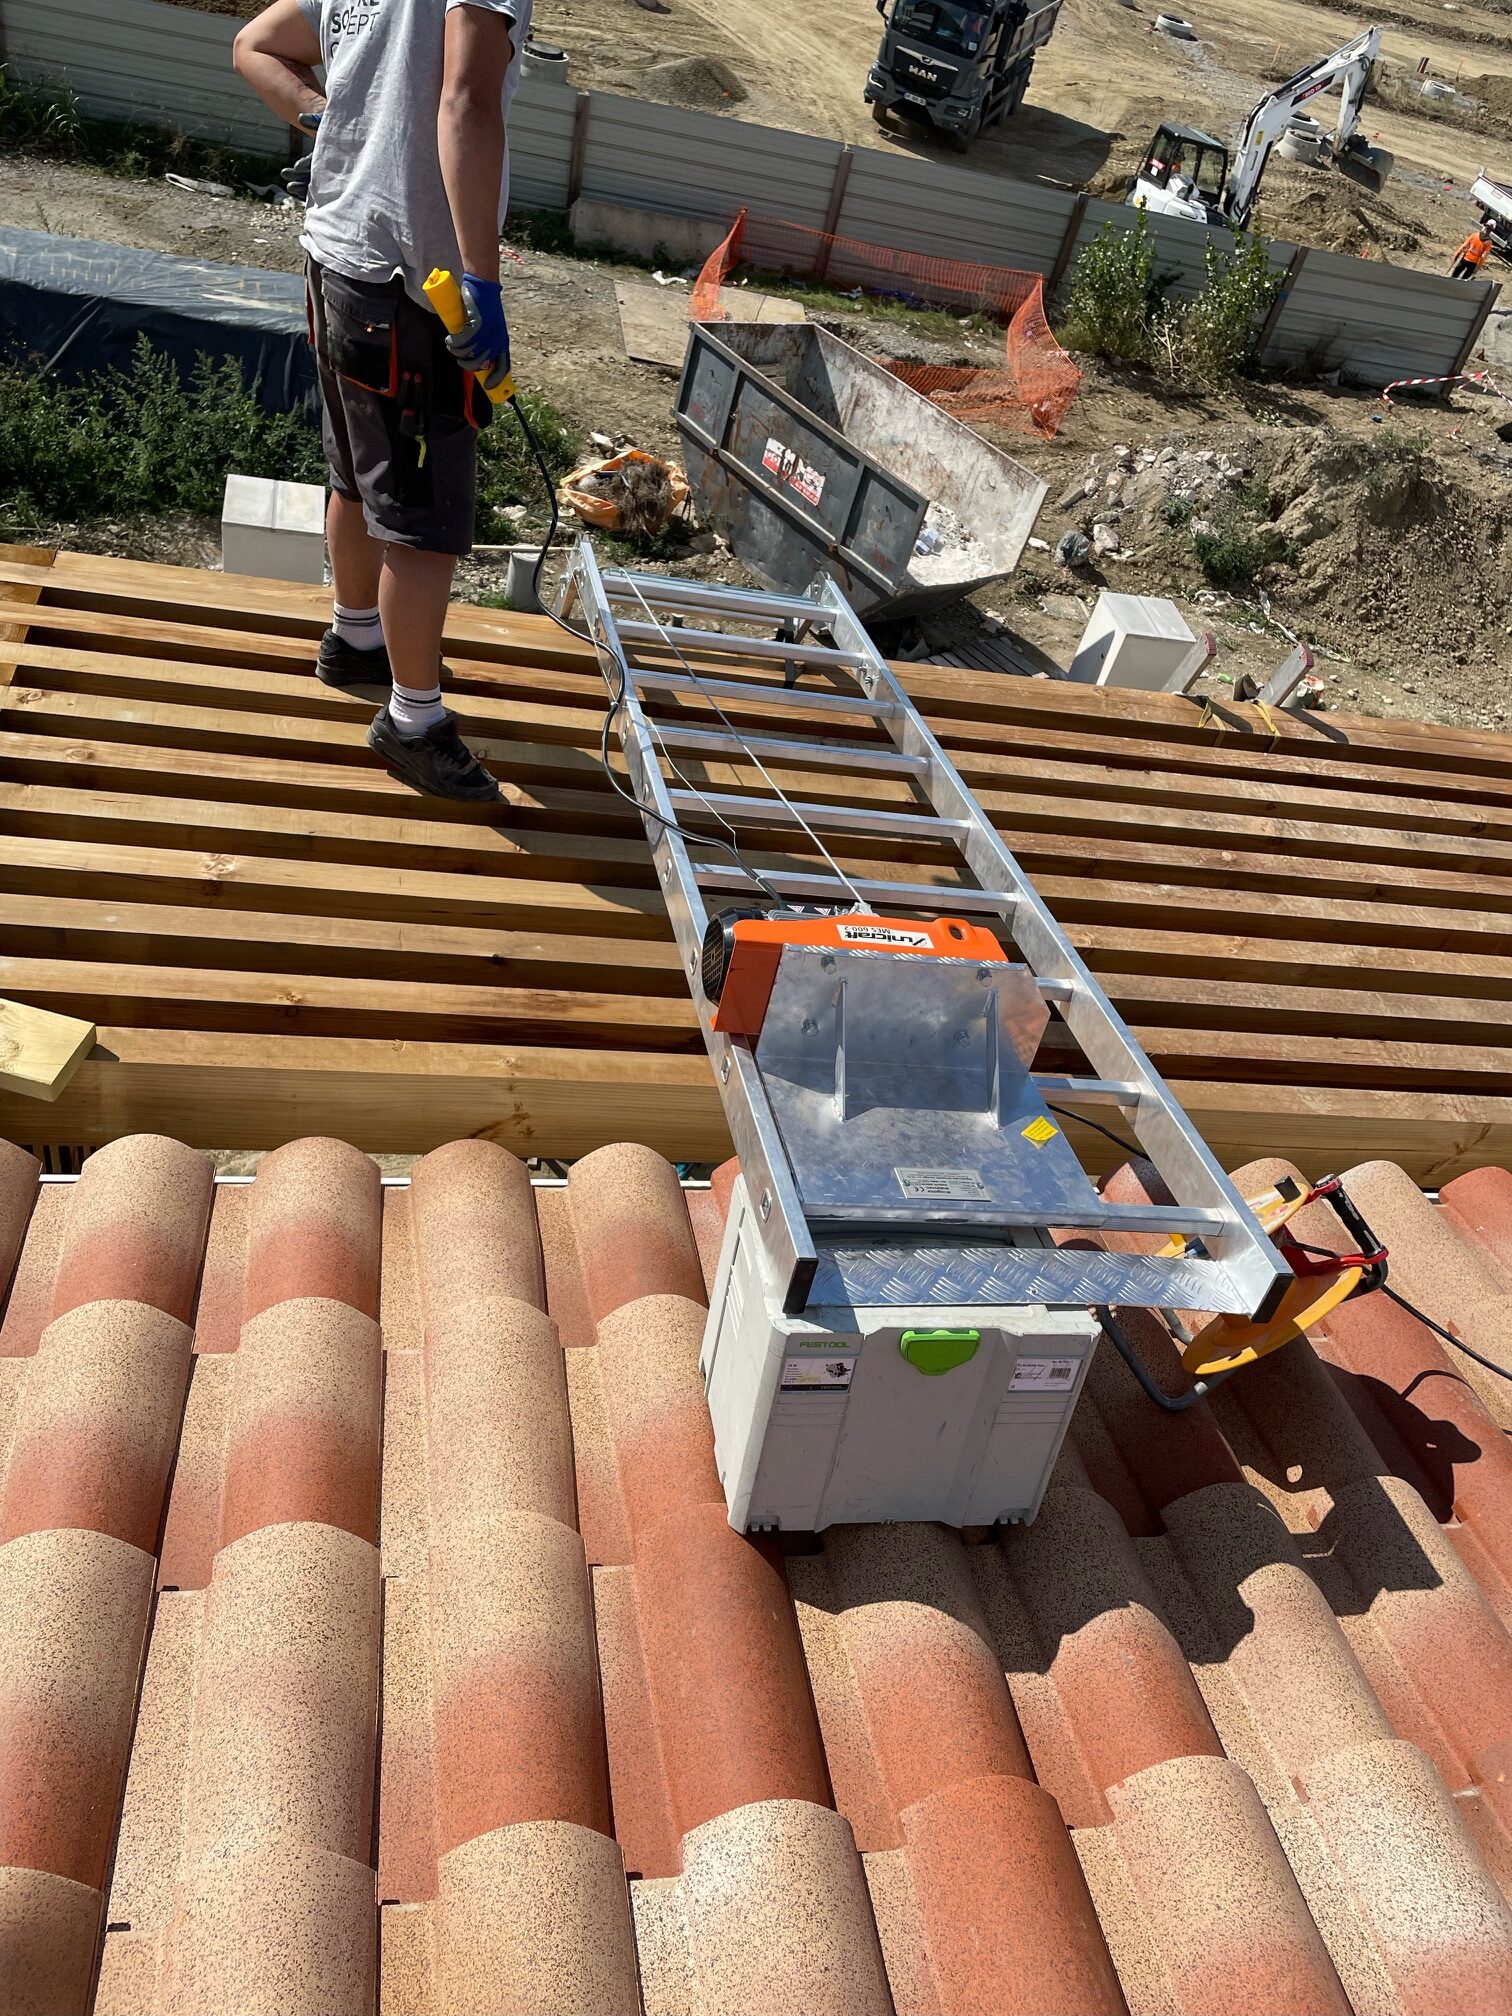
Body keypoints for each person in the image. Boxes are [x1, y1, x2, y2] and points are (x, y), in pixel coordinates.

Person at [233, 0, 531, 802]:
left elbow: (255, 46)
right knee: (424, 526)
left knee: (357, 478)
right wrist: (481, 281)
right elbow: (465, 100)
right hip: (414, 285)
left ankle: (355, 637)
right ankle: (413, 722)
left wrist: (331, 125)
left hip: (337, 257)